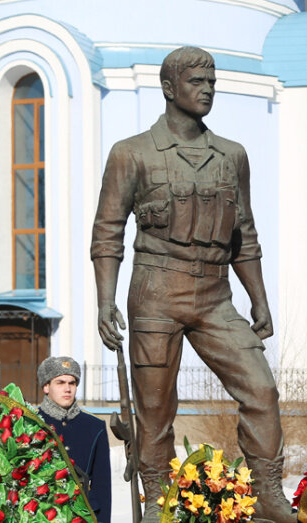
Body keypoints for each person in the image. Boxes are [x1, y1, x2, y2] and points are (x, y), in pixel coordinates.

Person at [90, 46, 294, 523]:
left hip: (216, 295)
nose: (207, 90)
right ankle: (158, 497)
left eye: (212, 82)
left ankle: (266, 491)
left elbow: (244, 232)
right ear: (168, 88)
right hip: (156, 291)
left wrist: (259, 300)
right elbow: (107, 232)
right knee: (155, 409)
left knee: (261, 390)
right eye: (197, 82)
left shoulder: (232, 156)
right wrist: (105, 301)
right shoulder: (131, 152)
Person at [36, 357, 111, 522]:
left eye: (72, 383)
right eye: (60, 382)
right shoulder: (32, 422)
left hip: (83, 515)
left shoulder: (94, 426)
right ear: (46, 387)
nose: (67, 389)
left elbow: (102, 486)